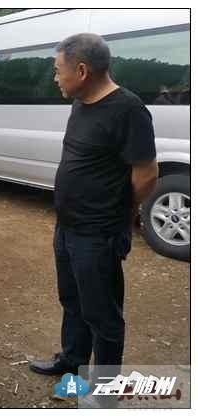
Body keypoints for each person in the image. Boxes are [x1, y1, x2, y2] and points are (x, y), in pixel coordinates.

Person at [28, 33, 158, 386]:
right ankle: (73, 361)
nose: (55, 77)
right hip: (67, 226)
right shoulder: (80, 102)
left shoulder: (128, 110)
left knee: (103, 314)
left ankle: (104, 388)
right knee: (72, 299)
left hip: (98, 233)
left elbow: (146, 173)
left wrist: (120, 212)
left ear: (82, 70)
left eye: (58, 70)